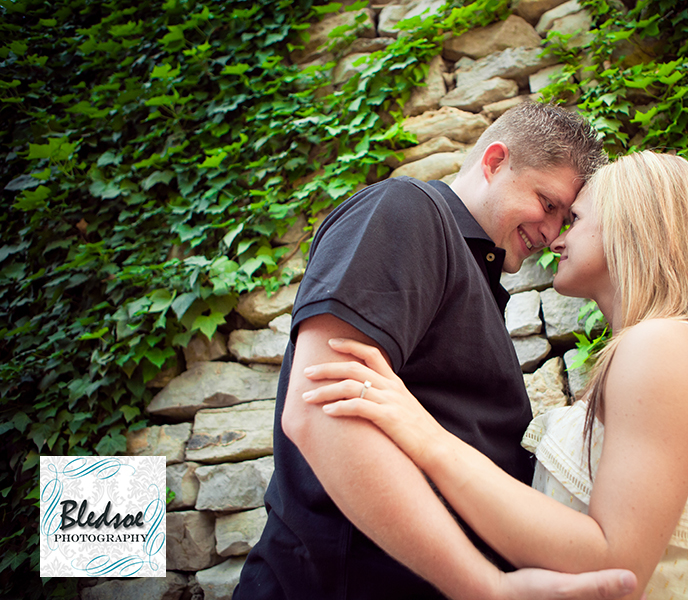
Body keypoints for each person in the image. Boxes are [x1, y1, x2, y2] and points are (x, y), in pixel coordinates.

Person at [302, 151, 688, 599]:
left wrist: (427, 437)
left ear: (635, 227)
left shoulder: (663, 345)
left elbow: (616, 563)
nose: (556, 239)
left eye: (575, 220)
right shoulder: (662, 348)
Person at [233, 102, 640, 600]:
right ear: (494, 162)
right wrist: (485, 587)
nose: (551, 234)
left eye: (566, 217)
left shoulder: (479, 276)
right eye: (547, 203)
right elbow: (320, 412)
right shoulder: (407, 211)